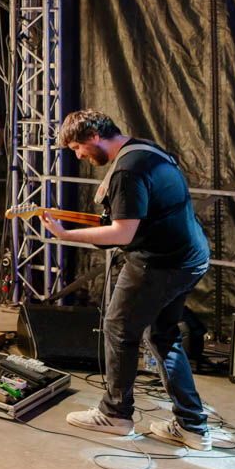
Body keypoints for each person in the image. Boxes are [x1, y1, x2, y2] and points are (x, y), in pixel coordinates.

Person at [47, 110, 213, 450]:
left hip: (160, 263)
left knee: (119, 329)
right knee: (163, 335)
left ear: (94, 136)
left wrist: (65, 235)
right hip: (189, 258)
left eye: (77, 147)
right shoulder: (144, 149)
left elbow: (122, 233)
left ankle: (115, 414)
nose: (78, 156)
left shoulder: (127, 169)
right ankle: (192, 426)